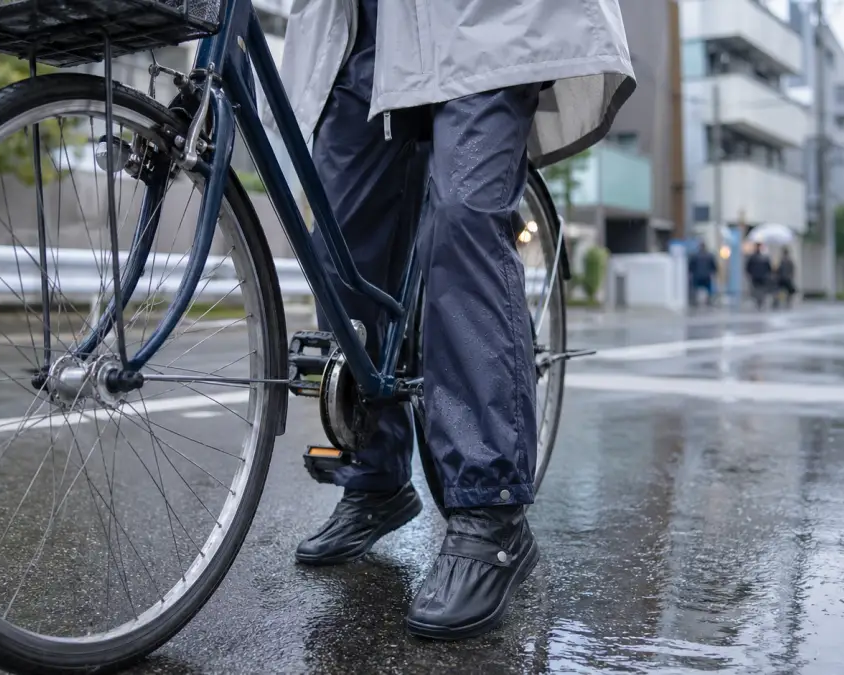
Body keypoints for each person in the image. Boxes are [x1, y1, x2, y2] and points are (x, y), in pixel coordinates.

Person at [271, 0, 635, 640]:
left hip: (483, 18)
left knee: (462, 221)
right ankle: (376, 476)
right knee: (337, 249)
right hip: (363, 26)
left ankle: (488, 514)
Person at [688, 242, 718, 307]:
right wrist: (713, 273)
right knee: (708, 289)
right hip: (706, 276)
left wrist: (691, 273)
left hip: (697, 276)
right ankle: (709, 300)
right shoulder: (709, 255)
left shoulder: (695, 256)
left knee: (695, 289)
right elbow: (714, 266)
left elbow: (691, 266)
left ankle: (694, 300)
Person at [746, 243, 773, 310]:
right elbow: (748, 267)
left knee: (760, 290)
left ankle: (760, 301)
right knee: (758, 290)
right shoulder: (754, 258)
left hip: (761, 277)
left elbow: (768, 268)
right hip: (757, 277)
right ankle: (759, 301)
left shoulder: (762, 257)